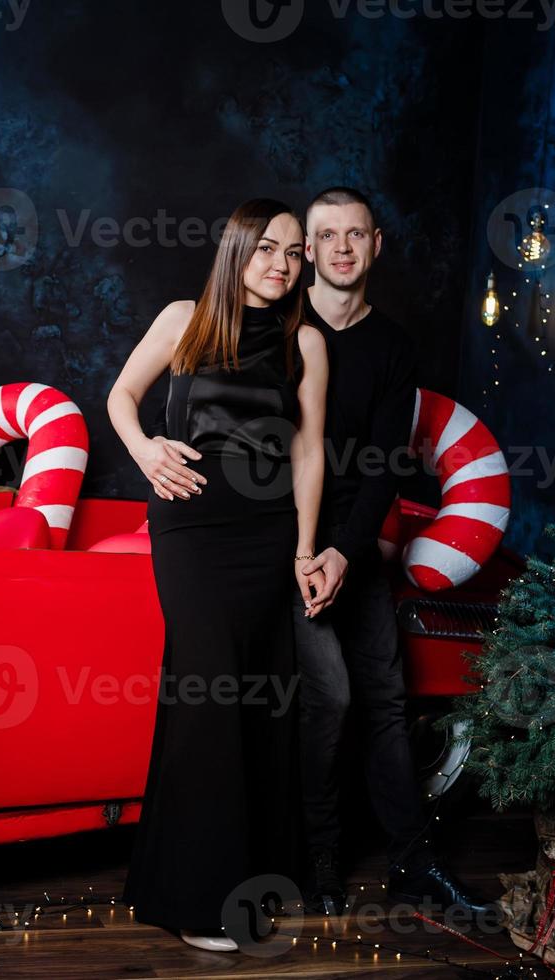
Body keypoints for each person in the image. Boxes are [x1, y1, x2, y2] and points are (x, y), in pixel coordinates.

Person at [108, 198, 329, 952]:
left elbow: (308, 454)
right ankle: (198, 900)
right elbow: (120, 398)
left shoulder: (305, 341)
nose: (281, 263)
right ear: (237, 250)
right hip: (192, 527)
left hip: (266, 538)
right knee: (206, 697)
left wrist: (303, 552)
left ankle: (241, 886)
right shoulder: (184, 319)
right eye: (268, 248)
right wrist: (144, 450)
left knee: (256, 702)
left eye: (294, 253)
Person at [291, 187, 493, 918]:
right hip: (284, 539)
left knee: (383, 702)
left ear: (376, 246)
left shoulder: (395, 345)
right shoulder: (279, 324)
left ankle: (413, 865)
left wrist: (347, 553)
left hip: (354, 539)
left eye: (356, 235)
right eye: (327, 236)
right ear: (307, 250)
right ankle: (316, 861)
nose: (342, 248)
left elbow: (382, 462)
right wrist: (308, 551)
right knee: (325, 700)